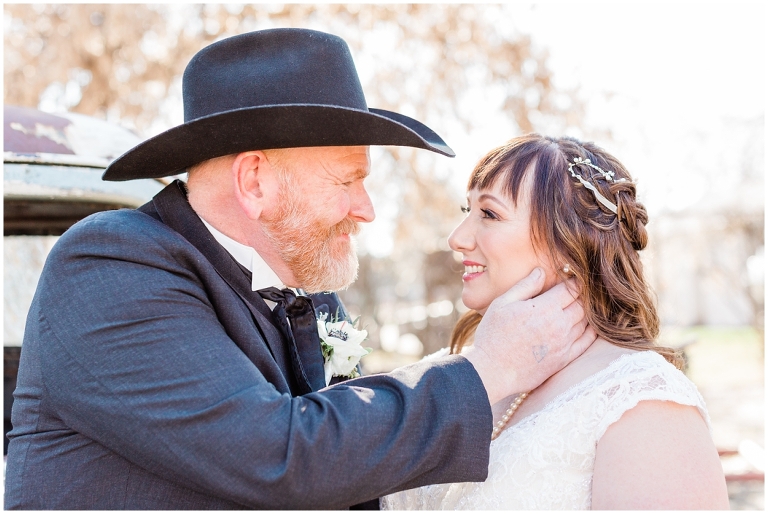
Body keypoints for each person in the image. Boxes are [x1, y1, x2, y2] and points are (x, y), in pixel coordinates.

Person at [4, 29, 596, 510]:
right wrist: (488, 370)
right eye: (347, 181)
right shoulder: (110, 266)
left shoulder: (309, 292)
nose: (366, 210)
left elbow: (351, 465)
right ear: (254, 181)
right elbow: (275, 456)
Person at [381, 134, 730, 510]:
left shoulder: (640, 400)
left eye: (489, 214)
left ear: (568, 245)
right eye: (466, 210)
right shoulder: (448, 374)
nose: (457, 238)